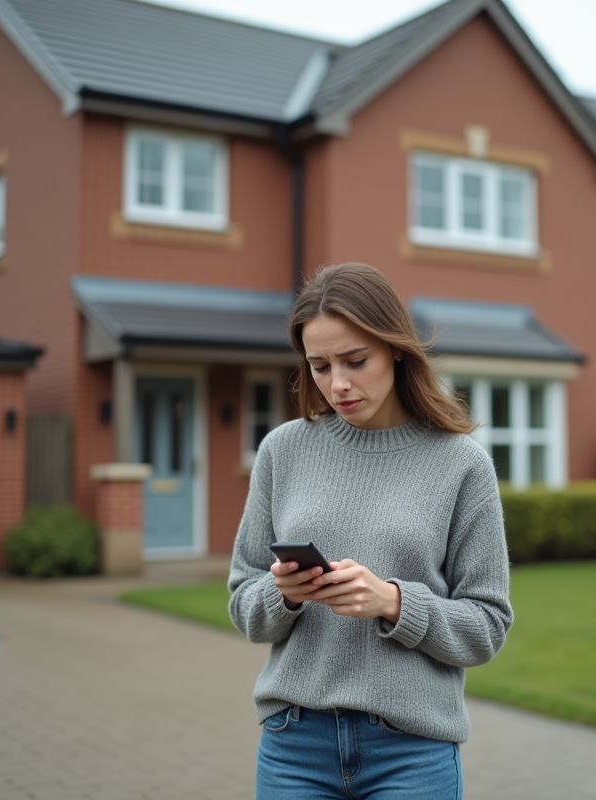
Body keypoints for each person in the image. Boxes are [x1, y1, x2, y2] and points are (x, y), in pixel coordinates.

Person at [228, 262, 514, 799]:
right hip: (294, 745)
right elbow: (245, 605)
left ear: (396, 349)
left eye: (356, 361)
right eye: (319, 366)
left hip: (412, 750)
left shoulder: (461, 465)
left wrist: (393, 602)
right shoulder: (282, 451)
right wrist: (282, 595)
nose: (338, 383)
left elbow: (487, 627)